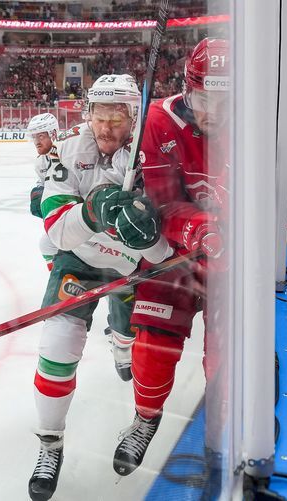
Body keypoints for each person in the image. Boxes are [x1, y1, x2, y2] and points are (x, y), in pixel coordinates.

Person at [28, 74, 173, 501]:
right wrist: (94, 212)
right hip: (80, 260)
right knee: (57, 348)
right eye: (99, 116)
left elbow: (165, 250)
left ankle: (122, 348)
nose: (106, 127)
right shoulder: (69, 150)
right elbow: (57, 231)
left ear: (134, 118)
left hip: (131, 266)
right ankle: (49, 444)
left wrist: (149, 234)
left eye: (117, 117)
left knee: (128, 332)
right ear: (88, 113)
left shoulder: (153, 156)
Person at [111, 37, 230, 478]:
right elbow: (161, 203)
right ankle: (145, 418)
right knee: (154, 340)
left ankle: (221, 425)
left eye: (226, 102)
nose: (214, 112)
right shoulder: (159, 121)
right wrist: (198, 227)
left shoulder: (252, 123)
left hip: (228, 256)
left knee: (227, 350)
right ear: (187, 88)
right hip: (173, 254)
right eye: (204, 100)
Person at [27, 112, 60, 271]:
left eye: (40, 136)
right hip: (61, 213)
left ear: (53, 134)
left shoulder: (68, 152)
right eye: (34, 137)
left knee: (48, 244)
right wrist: (38, 191)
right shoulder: (40, 162)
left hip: (80, 213)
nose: (36, 142)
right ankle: (59, 277)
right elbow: (42, 181)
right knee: (46, 245)